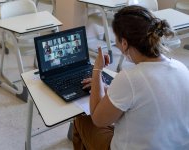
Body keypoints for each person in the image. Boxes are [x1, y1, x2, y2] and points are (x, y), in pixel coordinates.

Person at [73, 5, 189, 150]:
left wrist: (97, 70)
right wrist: (109, 89)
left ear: (125, 43)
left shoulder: (129, 78)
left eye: (116, 40)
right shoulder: (182, 68)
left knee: (82, 119)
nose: (117, 45)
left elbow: (98, 119)